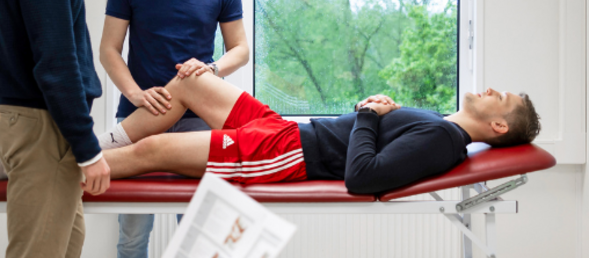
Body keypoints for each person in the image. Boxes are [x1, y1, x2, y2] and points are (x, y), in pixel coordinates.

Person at [100, 0, 249, 257]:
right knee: (133, 236)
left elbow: (241, 50)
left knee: (201, 235)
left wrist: (212, 71)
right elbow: (109, 49)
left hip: (199, 121)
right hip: (139, 116)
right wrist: (135, 94)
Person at [98, 73, 541, 194]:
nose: (488, 89)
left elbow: (362, 176)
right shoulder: (440, 125)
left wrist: (368, 116)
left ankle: (71, 171)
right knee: (192, 78)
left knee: (155, 148)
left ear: (498, 126)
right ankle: (101, 146)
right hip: (288, 129)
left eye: (497, 96)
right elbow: (372, 133)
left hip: (288, 152)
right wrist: (374, 112)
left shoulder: (443, 143)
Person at [0, 0, 113, 258]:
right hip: (40, 126)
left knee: (68, 245)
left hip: (19, 118)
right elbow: (56, 58)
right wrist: (88, 150)